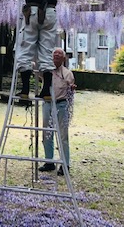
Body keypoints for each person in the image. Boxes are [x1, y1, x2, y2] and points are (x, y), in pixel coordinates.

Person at [15, 0, 63, 99]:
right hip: (49, 12)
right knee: (47, 50)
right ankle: (46, 91)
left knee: (26, 47)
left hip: (32, 12)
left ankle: (24, 90)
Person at [38, 48, 76, 176]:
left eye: (60, 54)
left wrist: (72, 88)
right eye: (55, 54)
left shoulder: (67, 73)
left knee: (62, 135)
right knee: (46, 133)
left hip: (61, 104)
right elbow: (35, 69)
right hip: (47, 103)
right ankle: (49, 161)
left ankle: (65, 164)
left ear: (64, 58)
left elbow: (71, 88)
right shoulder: (46, 71)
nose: (57, 55)